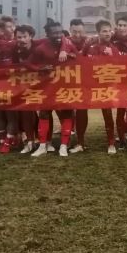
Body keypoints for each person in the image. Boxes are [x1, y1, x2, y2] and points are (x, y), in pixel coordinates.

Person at [29, 22, 78, 157]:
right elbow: (30, 64)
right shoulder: (41, 49)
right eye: (54, 33)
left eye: (60, 32)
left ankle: (63, 146)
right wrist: (40, 69)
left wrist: (70, 55)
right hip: (48, 87)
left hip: (65, 86)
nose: (58, 35)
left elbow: (78, 58)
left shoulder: (67, 44)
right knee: (44, 114)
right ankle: (42, 145)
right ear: (47, 34)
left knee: (67, 114)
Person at [83, 20, 120, 154]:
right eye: (104, 31)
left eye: (109, 30)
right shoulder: (90, 47)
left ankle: (111, 143)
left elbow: (120, 68)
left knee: (108, 115)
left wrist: (112, 56)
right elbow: (83, 64)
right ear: (98, 32)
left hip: (106, 87)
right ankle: (80, 142)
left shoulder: (114, 49)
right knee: (82, 111)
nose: (107, 33)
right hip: (90, 87)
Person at [111, 15, 127, 149]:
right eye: (120, 25)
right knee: (120, 111)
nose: (122, 28)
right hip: (118, 81)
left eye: (125, 25)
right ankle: (121, 138)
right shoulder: (111, 38)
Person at [11, 25, 39, 154]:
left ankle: (44, 140)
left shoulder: (39, 46)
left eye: (24, 36)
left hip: (43, 85)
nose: (21, 40)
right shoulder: (14, 50)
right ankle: (29, 141)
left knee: (46, 113)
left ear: (31, 36)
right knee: (26, 112)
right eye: (19, 37)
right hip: (25, 86)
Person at [67, 18, 90, 154]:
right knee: (68, 111)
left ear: (84, 31)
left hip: (84, 82)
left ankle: (81, 141)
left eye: (80, 32)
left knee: (82, 110)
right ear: (70, 30)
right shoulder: (64, 41)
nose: (77, 35)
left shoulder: (89, 41)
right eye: (74, 32)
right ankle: (67, 136)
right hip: (68, 81)